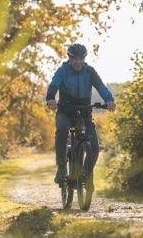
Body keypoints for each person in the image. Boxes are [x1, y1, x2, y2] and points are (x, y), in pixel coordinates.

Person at [46, 43, 116, 186]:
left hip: (84, 113)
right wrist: (50, 98)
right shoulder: (63, 71)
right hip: (66, 110)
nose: (78, 62)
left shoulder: (89, 71)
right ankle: (61, 167)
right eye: (75, 59)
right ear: (70, 58)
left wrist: (109, 100)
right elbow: (54, 84)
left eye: (81, 58)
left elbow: (100, 86)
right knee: (61, 129)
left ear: (84, 58)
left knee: (95, 147)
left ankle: (85, 174)